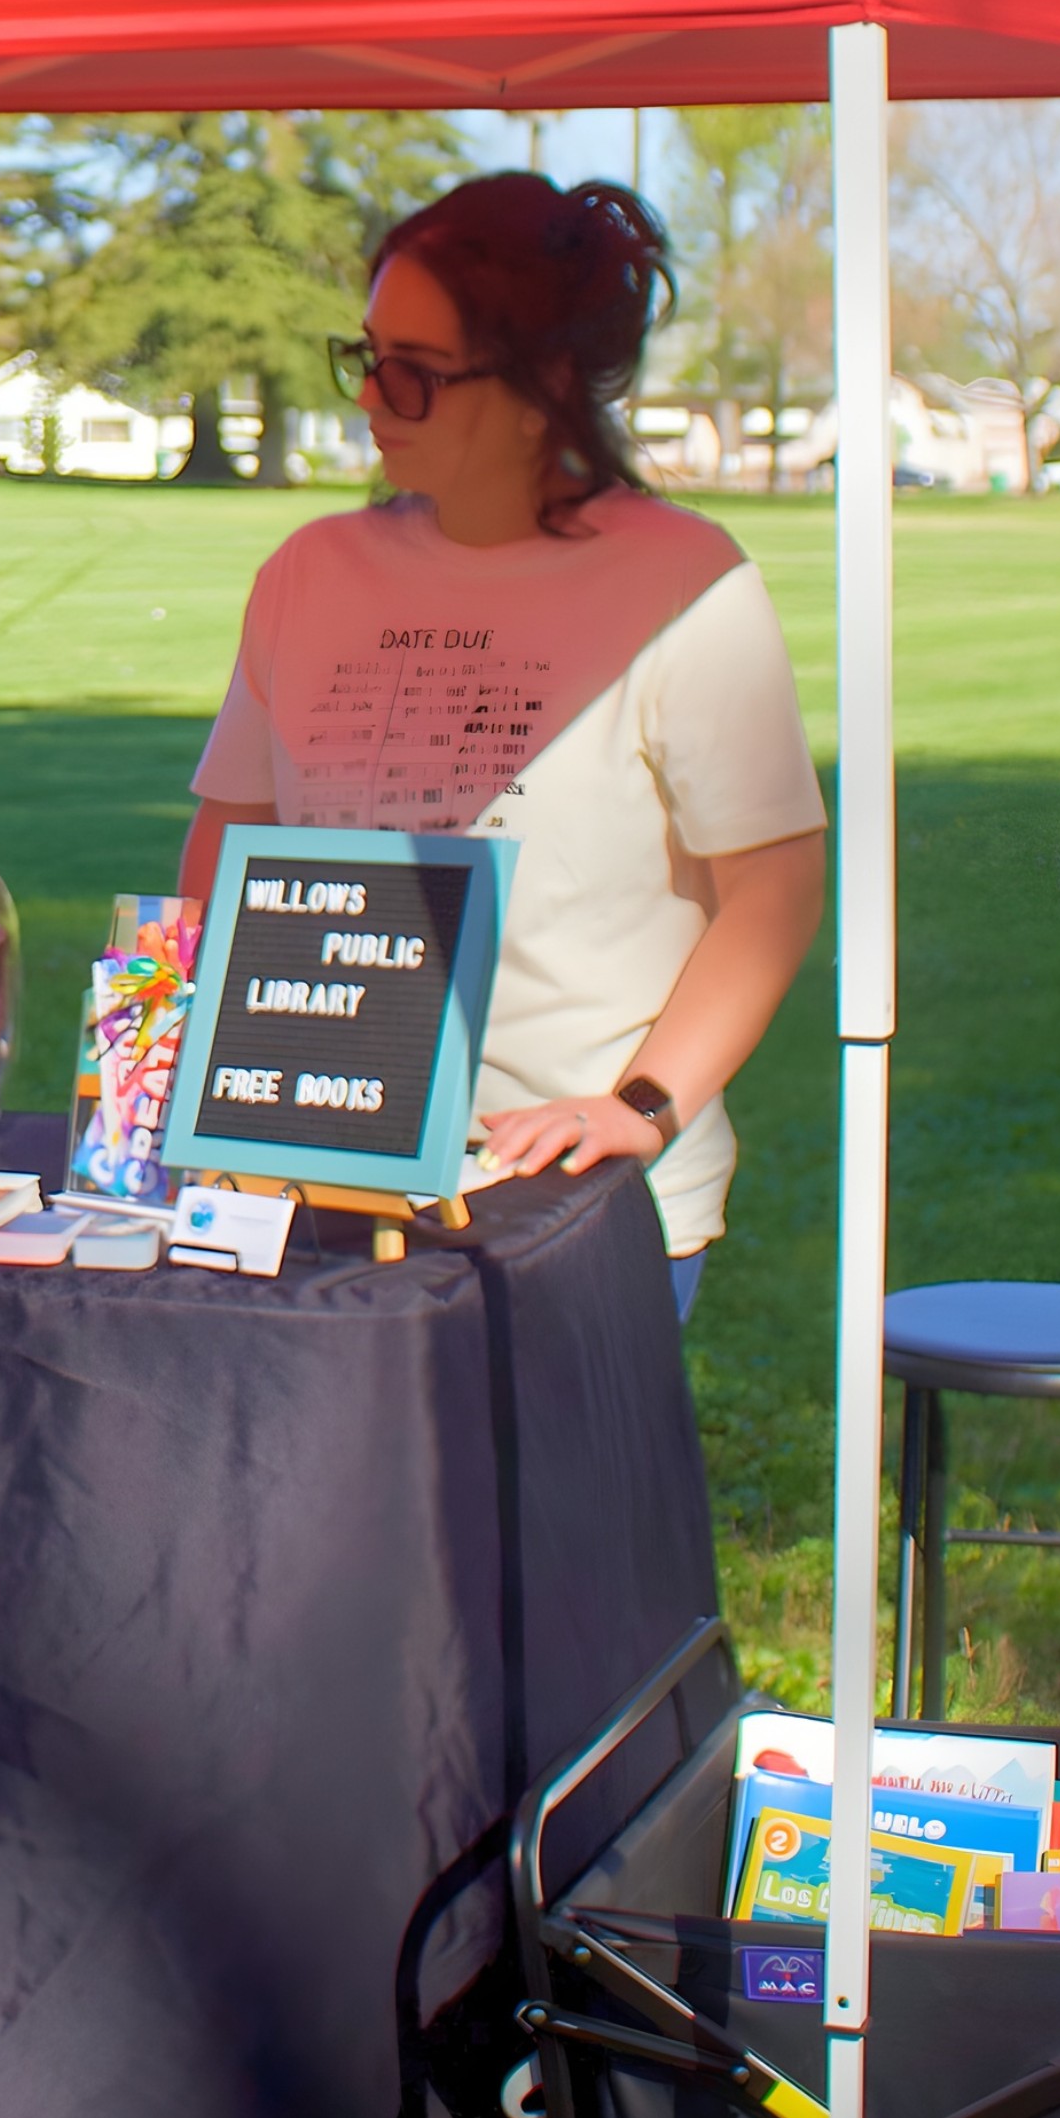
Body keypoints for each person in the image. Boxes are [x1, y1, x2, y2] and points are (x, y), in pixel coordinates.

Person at [178, 173, 824, 1311]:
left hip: (563, 1202)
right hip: (311, 1181)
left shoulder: (684, 583)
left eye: (416, 374)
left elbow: (772, 890)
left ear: (547, 387)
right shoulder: (307, 575)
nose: (372, 397)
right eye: (366, 355)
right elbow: (227, 854)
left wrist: (643, 1105)